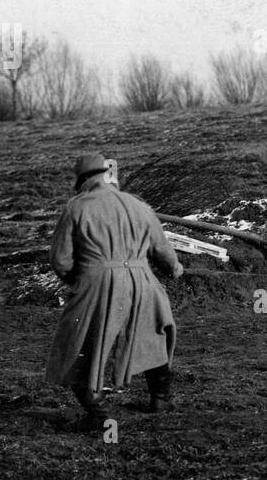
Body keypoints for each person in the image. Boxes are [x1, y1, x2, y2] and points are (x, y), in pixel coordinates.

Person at [45, 153, 184, 432]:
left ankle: (96, 413)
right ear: (107, 175)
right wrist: (175, 269)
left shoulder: (77, 208)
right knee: (152, 336)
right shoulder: (139, 205)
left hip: (96, 282)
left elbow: (60, 260)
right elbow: (162, 250)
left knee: (80, 343)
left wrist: (76, 280)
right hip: (142, 280)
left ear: (83, 180)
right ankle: (161, 398)